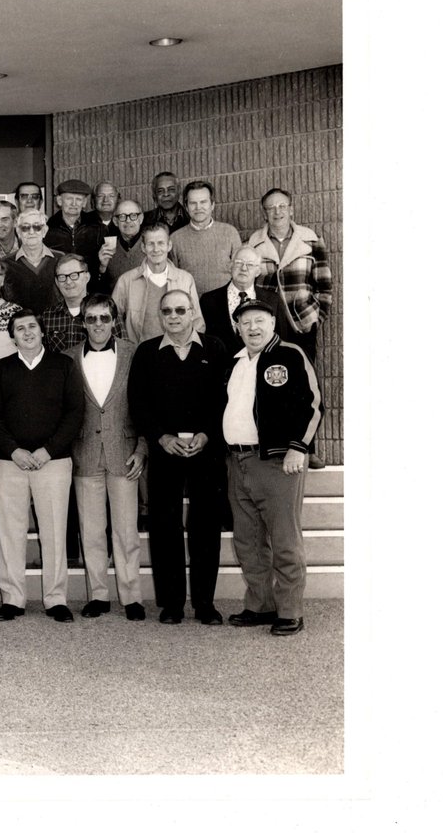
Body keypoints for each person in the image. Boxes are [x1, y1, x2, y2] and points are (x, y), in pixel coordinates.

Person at [128, 290, 229, 626]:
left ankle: (204, 604)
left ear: (192, 312)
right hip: (165, 451)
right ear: (160, 315)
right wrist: (161, 437)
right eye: (167, 311)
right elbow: (138, 403)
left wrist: (207, 433)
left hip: (206, 450)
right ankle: (171, 604)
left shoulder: (214, 348)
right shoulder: (147, 353)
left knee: (205, 525)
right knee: (164, 525)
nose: (173, 316)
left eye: (180, 310)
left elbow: (223, 399)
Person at [223, 298, 323, 637]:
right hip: (238, 461)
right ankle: (260, 605)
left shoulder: (289, 355)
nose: (252, 328)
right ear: (237, 327)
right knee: (248, 541)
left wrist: (299, 447)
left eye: (259, 321)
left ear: (272, 323)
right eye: (245, 322)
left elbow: (313, 403)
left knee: (284, 539)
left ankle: (291, 610)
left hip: (278, 462)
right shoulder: (234, 363)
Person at [0, 310, 84, 623]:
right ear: (12, 336)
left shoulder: (63, 365)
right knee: (10, 531)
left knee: (54, 531)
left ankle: (55, 599)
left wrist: (48, 450)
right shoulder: (2, 369)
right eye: (20, 328)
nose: (27, 332)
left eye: (32, 327)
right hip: (10, 462)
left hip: (52, 462)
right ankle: (13, 599)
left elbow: (74, 413)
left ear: (42, 332)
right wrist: (13, 450)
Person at [67, 295, 147, 621]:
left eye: (104, 318)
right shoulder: (68, 358)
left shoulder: (133, 353)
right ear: (82, 322)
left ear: (114, 319)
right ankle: (98, 595)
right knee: (91, 530)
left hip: (124, 453)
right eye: (91, 319)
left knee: (126, 531)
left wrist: (142, 448)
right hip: (85, 454)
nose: (98, 325)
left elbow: (145, 403)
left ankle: (132, 597)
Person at [247, 188, 332, 366]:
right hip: (268, 325)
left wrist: (314, 320)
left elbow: (324, 287)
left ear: (291, 210)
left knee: (303, 379)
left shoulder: (311, 241)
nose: (277, 212)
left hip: (303, 322)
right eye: (271, 208)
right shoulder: (252, 245)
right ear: (265, 214)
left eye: (282, 206)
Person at [111, 222, 204, 343]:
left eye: (161, 243)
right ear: (143, 248)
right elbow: (111, 318)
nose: (156, 249)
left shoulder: (185, 279)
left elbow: (197, 321)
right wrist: (126, 348)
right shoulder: (127, 280)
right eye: (150, 244)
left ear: (169, 245)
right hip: (139, 353)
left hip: (176, 354)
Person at [38, 252, 125, 354]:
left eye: (74, 275)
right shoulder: (48, 317)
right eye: (62, 277)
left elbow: (125, 353)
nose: (68, 282)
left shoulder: (107, 312)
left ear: (87, 277)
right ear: (57, 282)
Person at [199, 247, 280, 356]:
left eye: (250, 264)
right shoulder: (208, 300)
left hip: (261, 366)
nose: (244, 268)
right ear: (230, 266)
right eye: (238, 263)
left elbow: (281, 338)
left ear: (258, 272)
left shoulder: (272, 299)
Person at [169, 179, 242, 294]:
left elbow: (240, 272)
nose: (198, 207)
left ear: (212, 205)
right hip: (192, 306)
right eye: (193, 203)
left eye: (203, 202)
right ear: (186, 207)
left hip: (225, 305)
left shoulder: (230, 233)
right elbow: (173, 279)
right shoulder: (175, 239)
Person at [1, 209, 61, 314]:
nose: (31, 232)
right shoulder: (5, 264)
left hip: (55, 323)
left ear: (45, 231)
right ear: (18, 232)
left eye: (37, 227)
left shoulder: (60, 259)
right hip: (20, 325)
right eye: (25, 228)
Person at [99, 199, 151, 288]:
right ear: (115, 221)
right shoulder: (108, 248)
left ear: (141, 219)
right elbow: (101, 290)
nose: (128, 220)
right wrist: (103, 267)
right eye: (122, 216)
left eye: (133, 215)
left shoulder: (152, 245)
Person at [45, 179, 92, 255]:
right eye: (69, 198)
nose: (74, 204)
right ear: (59, 201)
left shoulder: (96, 226)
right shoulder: (48, 228)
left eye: (78, 199)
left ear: (84, 203)